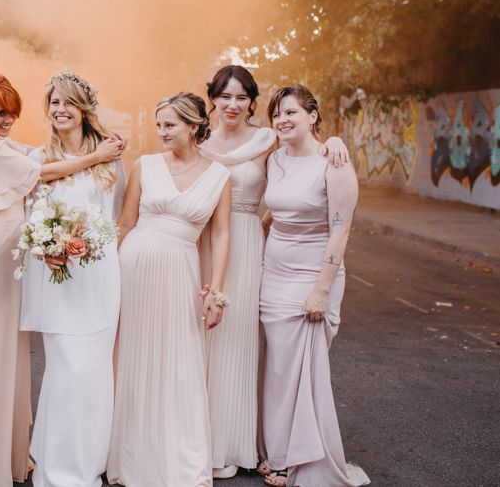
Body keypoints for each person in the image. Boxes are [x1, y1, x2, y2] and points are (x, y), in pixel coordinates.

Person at [0, 72, 121, 486]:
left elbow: (114, 217)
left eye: (13, 113)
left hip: (69, 269)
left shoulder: (20, 148)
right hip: (1, 257)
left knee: (45, 364)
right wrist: (50, 246)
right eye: (0, 112)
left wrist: (105, 152)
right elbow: (39, 179)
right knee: (31, 363)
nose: (7, 120)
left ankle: (40, 457)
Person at [199, 65, 348, 479]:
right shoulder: (200, 140)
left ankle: (236, 442)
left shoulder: (267, 142)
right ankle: (198, 436)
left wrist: (334, 139)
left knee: (242, 344)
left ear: (250, 102)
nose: (233, 104)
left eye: (241, 97)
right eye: (224, 96)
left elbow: (307, 164)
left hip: (246, 247)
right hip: (203, 242)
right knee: (199, 341)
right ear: (212, 98)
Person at [108, 92, 231, 487]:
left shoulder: (219, 175)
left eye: (170, 125)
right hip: (135, 267)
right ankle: (130, 458)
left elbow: (221, 234)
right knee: (133, 355)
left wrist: (217, 292)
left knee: (179, 358)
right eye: (159, 124)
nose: (161, 132)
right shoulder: (144, 165)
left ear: (194, 127)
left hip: (181, 270)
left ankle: (181, 459)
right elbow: (124, 224)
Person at [259, 85, 370, 487]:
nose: (282, 120)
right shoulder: (274, 159)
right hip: (273, 273)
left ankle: (298, 458)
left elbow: (340, 232)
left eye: (291, 112)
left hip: (313, 275)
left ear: (311, 115)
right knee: (277, 367)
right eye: (276, 115)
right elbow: (280, 206)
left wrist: (321, 288)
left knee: (302, 370)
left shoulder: (334, 163)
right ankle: (276, 450)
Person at [21, 70, 126, 487]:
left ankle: (86, 462)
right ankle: (58, 469)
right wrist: (47, 247)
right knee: (67, 368)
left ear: (84, 109)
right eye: (53, 102)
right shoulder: (36, 158)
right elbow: (31, 204)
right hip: (57, 276)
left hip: (99, 274)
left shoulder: (112, 157)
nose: (59, 110)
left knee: (94, 370)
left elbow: (118, 216)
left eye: (67, 102)